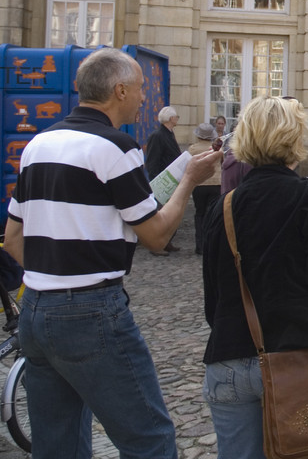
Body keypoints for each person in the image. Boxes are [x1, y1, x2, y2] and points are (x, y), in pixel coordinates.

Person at [6, 47, 220, 458]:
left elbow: (14, 239)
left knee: (56, 442)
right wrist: (189, 179)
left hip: (35, 307)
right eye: (140, 90)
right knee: (148, 437)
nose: (144, 99)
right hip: (90, 309)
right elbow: (156, 237)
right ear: (119, 91)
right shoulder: (116, 147)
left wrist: (52, 279)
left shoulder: (38, 144)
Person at [201, 96, 308, 458]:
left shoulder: (222, 207)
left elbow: (213, 301)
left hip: (231, 359)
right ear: (294, 139)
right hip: (303, 358)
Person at [145, 105, 184, 255]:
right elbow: (152, 161)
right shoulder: (158, 136)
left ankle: (167, 242)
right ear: (170, 118)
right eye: (176, 117)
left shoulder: (169, 134)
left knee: (170, 213)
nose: (177, 119)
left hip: (171, 179)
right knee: (162, 214)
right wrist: (155, 180)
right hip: (162, 180)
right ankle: (157, 245)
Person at [189, 121, 223, 255]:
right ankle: (210, 244)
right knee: (212, 214)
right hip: (215, 183)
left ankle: (200, 245)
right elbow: (222, 162)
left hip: (199, 184)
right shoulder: (216, 149)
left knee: (200, 213)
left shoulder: (192, 149)